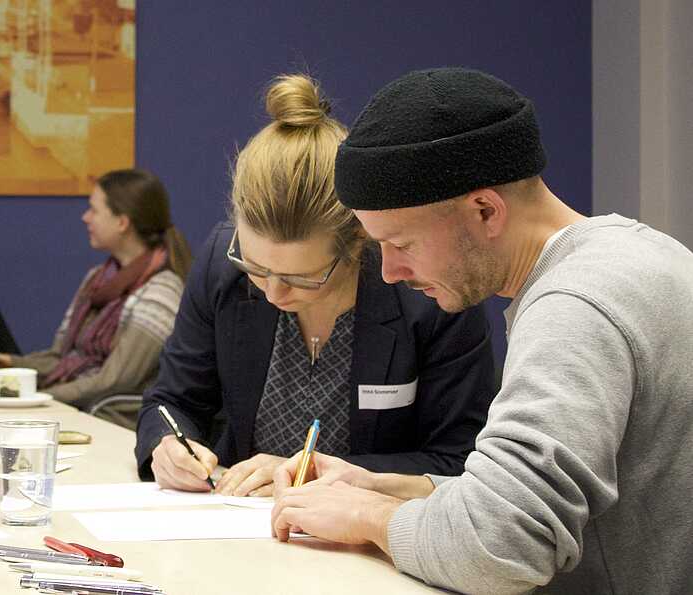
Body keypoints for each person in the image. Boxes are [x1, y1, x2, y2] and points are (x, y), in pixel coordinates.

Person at [270, 67, 693, 594]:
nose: (391, 273)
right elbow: (528, 506)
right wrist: (389, 489)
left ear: (485, 210)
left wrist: (367, 516)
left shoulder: (574, 309)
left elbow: (502, 547)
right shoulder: (641, 255)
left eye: (402, 244)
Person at [135, 74, 497, 497]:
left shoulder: (431, 292)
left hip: (370, 542)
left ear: (359, 239)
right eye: (254, 267)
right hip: (234, 526)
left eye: (301, 278)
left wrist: (317, 473)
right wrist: (166, 445)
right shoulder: (221, 264)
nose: (272, 293)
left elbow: (458, 460)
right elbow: (171, 400)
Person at [0, 169, 192, 427]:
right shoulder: (96, 279)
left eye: (94, 210)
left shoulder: (161, 291)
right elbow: (61, 357)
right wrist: (9, 363)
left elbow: (115, 380)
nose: (85, 217)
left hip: (93, 408)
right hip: (65, 389)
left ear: (122, 222)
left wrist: (40, 397)